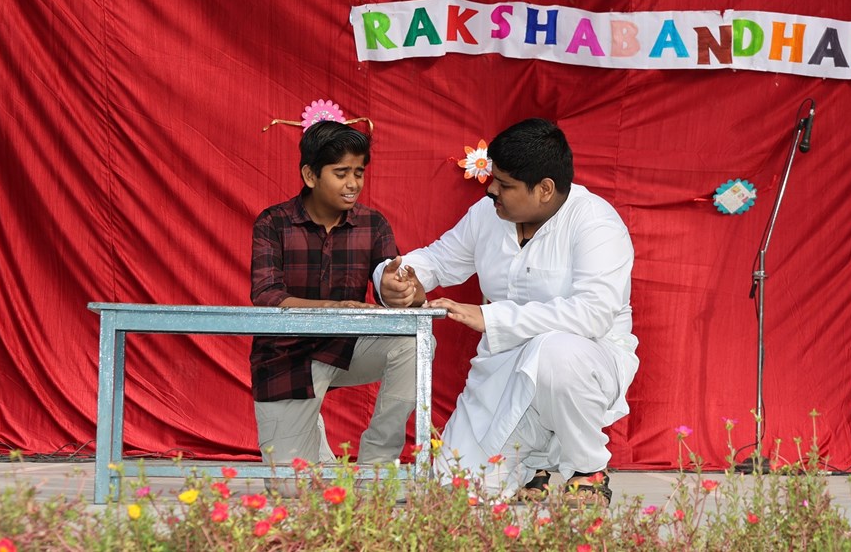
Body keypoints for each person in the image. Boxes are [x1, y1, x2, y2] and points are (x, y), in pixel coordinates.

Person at [376, 118, 638, 503]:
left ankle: (587, 470)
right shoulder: (488, 214)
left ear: (544, 189)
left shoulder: (596, 224)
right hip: (501, 370)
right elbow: (438, 260)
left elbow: (591, 314)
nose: (491, 189)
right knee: (453, 494)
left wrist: (490, 317)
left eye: (504, 184)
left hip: (586, 364)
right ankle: (532, 467)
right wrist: (397, 279)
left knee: (553, 352)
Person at [250, 120, 416, 468]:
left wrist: (398, 291)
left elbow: (388, 285)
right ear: (310, 175)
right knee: (293, 488)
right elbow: (266, 295)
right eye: (341, 173)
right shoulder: (273, 222)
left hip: (346, 348)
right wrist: (333, 307)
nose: (353, 183)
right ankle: (310, 437)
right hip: (286, 359)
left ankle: (377, 463)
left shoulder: (373, 224)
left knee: (414, 344)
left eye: (359, 172)